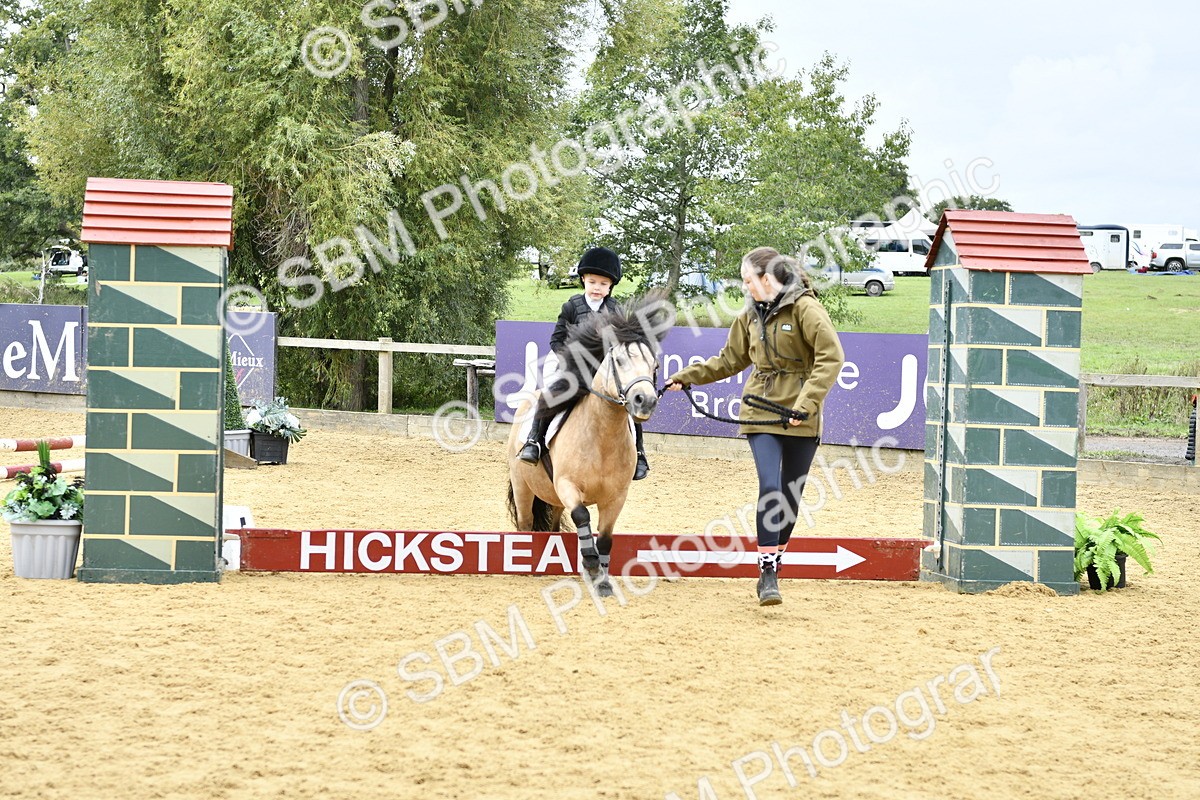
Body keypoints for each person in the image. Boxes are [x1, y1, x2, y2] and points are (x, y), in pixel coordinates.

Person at [665, 246, 844, 605]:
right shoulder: (749, 314)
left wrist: (805, 406)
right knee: (770, 485)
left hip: (800, 415)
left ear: (767, 279)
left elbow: (831, 357)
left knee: (791, 497)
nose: (745, 288)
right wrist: (687, 377)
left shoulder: (806, 308)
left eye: (749, 280)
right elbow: (729, 359)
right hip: (760, 410)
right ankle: (767, 573)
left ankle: (775, 563)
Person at [518, 246, 652, 480]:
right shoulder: (572, 306)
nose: (597, 288)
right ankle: (534, 441)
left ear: (610, 286)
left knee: (628, 405)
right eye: (592, 282)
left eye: (603, 283)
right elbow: (557, 339)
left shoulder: (616, 310)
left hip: (605, 373)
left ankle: (639, 453)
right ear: (583, 280)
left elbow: (623, 345)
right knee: (550, 396)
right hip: (574, 368)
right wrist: (570, 361)